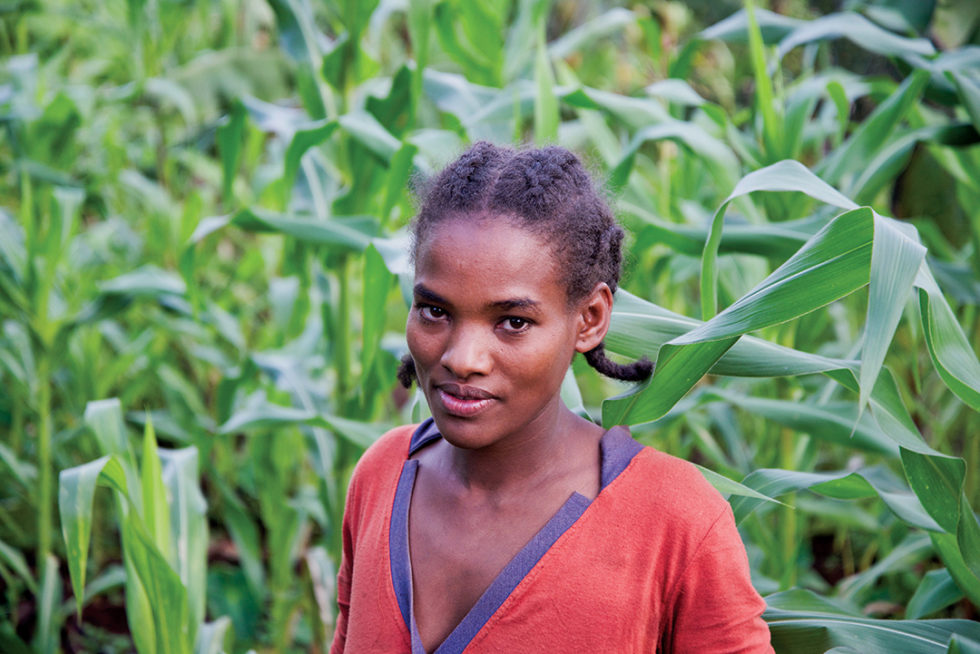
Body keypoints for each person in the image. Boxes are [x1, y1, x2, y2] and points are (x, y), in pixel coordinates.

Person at [329, 142, 773, 653]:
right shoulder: (381, 476)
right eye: (435, 311)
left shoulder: (673, 522)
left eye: (513, 322)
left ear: (589, 320)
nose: (462, 357)